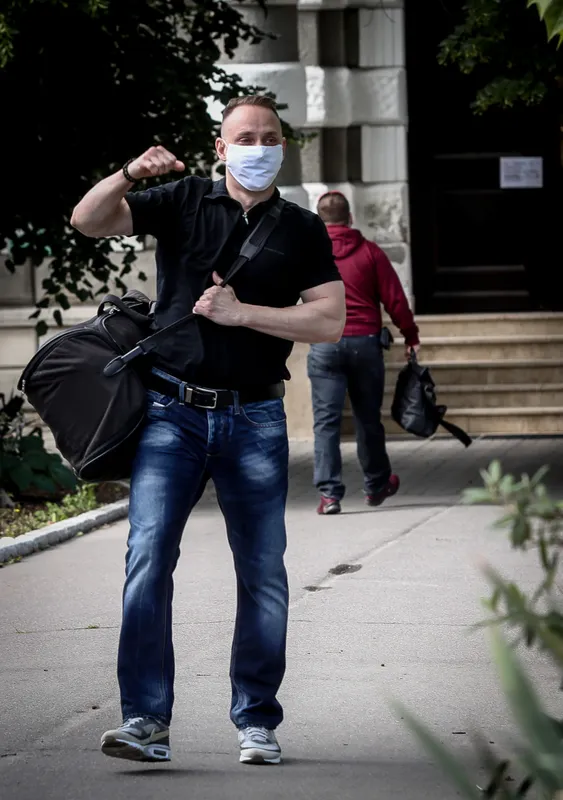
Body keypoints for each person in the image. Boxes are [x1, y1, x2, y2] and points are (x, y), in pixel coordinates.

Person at [70, 95, 345, 765]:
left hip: (256, 416)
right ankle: (145, 720)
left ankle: (256, 720)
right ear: (221, 148)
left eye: (269, 137)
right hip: (172, 411)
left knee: (263, 573)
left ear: (283, 146)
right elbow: (88, 221)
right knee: (147, 558)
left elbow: (330, 320)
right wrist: (129, 174)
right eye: (244, 137)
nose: (258, 147)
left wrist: (244, 313)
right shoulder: (183, 199)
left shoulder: (302, 228)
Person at [308, 191, 420, 515]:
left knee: (325, 422)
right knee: (368, 419)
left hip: (324, 344)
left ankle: (329, 495)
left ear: (319, 221)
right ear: (350, 218)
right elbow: (395, 299)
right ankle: (376, 484)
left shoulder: (309, 254)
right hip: (365, 345)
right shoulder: (370, 252)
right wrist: (410, 335)